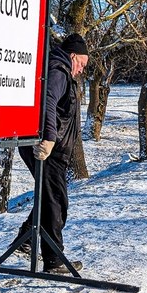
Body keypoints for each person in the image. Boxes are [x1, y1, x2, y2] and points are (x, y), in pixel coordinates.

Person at [13, 32, 90, 273]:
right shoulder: (58, 70)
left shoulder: (60, 68)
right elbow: (48, 100)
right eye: (81, 64)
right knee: (56, 201)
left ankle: (26, 240)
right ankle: (54, 261)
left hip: (53, 148)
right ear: (72, 56)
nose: (80, 70)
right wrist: (49, 138)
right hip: (48, 149)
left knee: (49, 197)